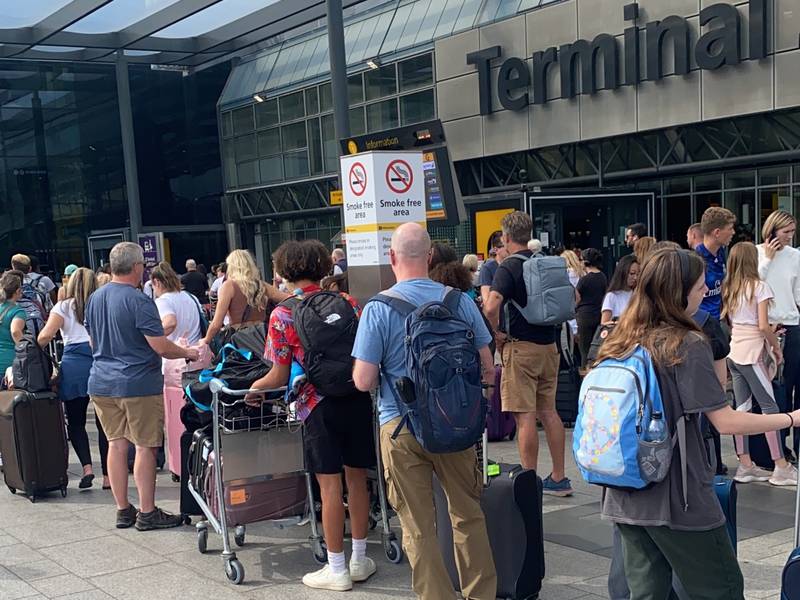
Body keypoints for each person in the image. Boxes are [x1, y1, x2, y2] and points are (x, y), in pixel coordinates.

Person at [598, 247, 800, 599]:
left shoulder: (620, 338)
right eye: (699, 287)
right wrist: (790, 418)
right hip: (678, 494)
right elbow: (723, 420)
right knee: (721, 586)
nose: (705, 291)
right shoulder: (685, 343)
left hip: (623, 489)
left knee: (647, 592)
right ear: (679, 293)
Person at [352, 223, 497, 600]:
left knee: (418, 525)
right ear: (430, 256)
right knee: (468, 514)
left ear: (392, 258)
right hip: (455, 422)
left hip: (400, 426)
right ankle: (480, 594)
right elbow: (487, 366)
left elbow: (364, 380)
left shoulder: (378, 308)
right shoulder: (459, 300)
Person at [246, 240, 376, 592]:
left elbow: (277, 374)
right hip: (355, 397)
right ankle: (360, 558)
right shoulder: (348, 303)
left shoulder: (282, 314)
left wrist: (254, 389)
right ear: (321, 268)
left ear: (285, 272)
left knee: (329, 486)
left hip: (316, 405)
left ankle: (336, 567)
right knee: (358, 479)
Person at [85, 242, 199, 531]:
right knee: (146, 446)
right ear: (137, 267)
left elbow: (93, 341)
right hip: (137, 382)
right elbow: (159, 346)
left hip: (101, 380)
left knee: (116, 444)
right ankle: (147, 512)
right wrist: (188, 352)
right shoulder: (139, 301)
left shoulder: (95, 298)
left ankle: (123, 509)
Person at [484, 211, 573, 496]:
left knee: (525, 417)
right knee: (549, 411)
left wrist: (496, 332)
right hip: (550, 346)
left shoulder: (508, 268)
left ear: (506, 237)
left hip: (520, 348)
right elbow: (574, 297)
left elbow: (491, 305)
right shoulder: (544, 261)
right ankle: (559, 478)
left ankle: (529, 482)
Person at [724, 242, 798, 486]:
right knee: (770, 410)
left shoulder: (730, 288)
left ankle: (745, 465)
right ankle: (780, 465)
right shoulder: (759, 287)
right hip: (753, 353)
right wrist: (776, 348)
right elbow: (763, 326)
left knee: (742, 409)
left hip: (735, 352)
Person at [37, 268, 109, 490]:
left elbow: (46, 335)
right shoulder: (101, 304)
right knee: (104, 425)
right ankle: (108, 477)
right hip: (99, 363)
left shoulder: (63, 306)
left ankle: (87, 468)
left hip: (73, 366)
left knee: (76, 423)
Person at [758, 210, 800, 457]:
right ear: (772, 231)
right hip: (767, 326)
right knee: (775, 390)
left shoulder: (796, 256)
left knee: (794, 384)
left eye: (793, 232)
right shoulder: (755, 253)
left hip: (792, 324)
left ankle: (795, 446)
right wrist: (768, 259)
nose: (790, 237)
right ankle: (777, 448)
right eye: (786, 232)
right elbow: (753, 286)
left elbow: (797, 293)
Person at [200, 249, 288, 347]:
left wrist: (206, 340)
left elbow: (217, 323)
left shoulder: (229, 286)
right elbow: (288, 298)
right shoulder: (261, 285)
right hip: (263, 337)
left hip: (241, 340)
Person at [696, 206, 736, 320]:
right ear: (717, 232)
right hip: (701, 324)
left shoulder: (721, 253)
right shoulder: (696, 260)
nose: (733, 232)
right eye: (730, 228)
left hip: (718, 320)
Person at [150, 262, 203, 344]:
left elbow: (170, 323)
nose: (153, 289)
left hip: (178, 353)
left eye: (151, 285)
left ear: (157, 282)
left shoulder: (163, 301)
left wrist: (149, 337)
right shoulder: (191, 297)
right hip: (198, 350)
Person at [575, 248, 608, 369]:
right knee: (597, 348)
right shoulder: (603, 277)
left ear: (585, 262)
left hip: (584, 316)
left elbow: (577, 298)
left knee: (584, 350)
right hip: (598, 314)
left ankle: (585, 373)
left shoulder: (584, 280)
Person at [0, 272, 27, 386]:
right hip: (8, 364)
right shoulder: (18, 311)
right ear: (18, 291)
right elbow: (15, 331)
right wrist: (25, 351)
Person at [600, 255, 639, 324]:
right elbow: (604, 323)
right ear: (623, 272)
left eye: (638, 274)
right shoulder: (611, 296)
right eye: (632, 274)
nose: (635, 277)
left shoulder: (638, 295)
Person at [479, 231, 508, 306]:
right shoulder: (487, 268)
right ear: (496, 250)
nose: (508, 247)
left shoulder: (513, 265)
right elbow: (487, 300)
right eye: (505, 245)